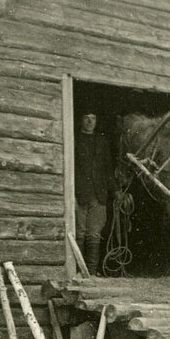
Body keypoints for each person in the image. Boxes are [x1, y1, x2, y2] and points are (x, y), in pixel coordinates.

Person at [75, 112, 113, 274]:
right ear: (80, 120)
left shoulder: (102, 142)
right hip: (80, 194)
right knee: (80, 233)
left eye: (93, 118)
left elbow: (108, 169)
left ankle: (90, 272)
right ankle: (78, 271)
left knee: (94, 235)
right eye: (86, 117)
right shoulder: (74, 140)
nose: (90, 121)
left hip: (98, 195)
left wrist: (116, 191)